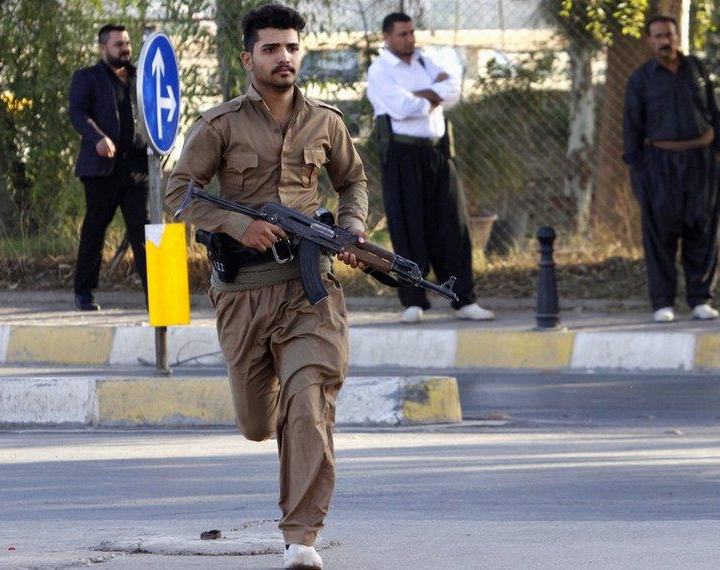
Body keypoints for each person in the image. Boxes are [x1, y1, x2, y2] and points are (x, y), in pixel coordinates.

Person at [165, 4, 367, 568]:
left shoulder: (326, 121)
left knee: (310, 402)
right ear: (248, 57)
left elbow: (353, 181)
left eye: (292, 48)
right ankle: (284, 410)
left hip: (310, 293)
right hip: (243, 295)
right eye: (272, 48)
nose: (285, 57)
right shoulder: (220, 124)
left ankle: (301, 538)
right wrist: (239, 224)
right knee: (258, 423)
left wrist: (351, 229)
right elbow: (179, 192)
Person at [366, 12, 493, 324]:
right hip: (402, 154)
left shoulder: (426, 61)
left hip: (437, 152)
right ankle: (414, 301)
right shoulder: (380, 70)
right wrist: (433, 95)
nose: (410, 39)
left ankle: (463, 299)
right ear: (387, 37)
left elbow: (454, 91)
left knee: (453, 225)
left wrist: (425, 96)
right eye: (402, 34)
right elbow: (400, 107)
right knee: (409, 227)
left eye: (411, 33)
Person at [623, 15, 720, 323]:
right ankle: (663, 303)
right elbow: (631, 127)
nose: (664, 41)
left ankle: (700, 299)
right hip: (661, 165)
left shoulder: (696, 70)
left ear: (677, 37)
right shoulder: (641, 79)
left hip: (701, 162)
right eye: (657, 36)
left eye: (668, 35)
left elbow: (714, 109)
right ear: (649, 41)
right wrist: (638, 168)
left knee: (703, 230)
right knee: (661, 234)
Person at [68, 24, 149, 311]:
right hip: (102, 169)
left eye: (127, 43)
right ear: (103, 48)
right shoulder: (87, 78)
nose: (125, 49)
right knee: (95, 231)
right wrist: (98, 138)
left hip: (137, 168)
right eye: (118, 44)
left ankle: (156, 298)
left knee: (145, 234)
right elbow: (77, 114)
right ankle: (84, 293)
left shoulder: (141, 76)